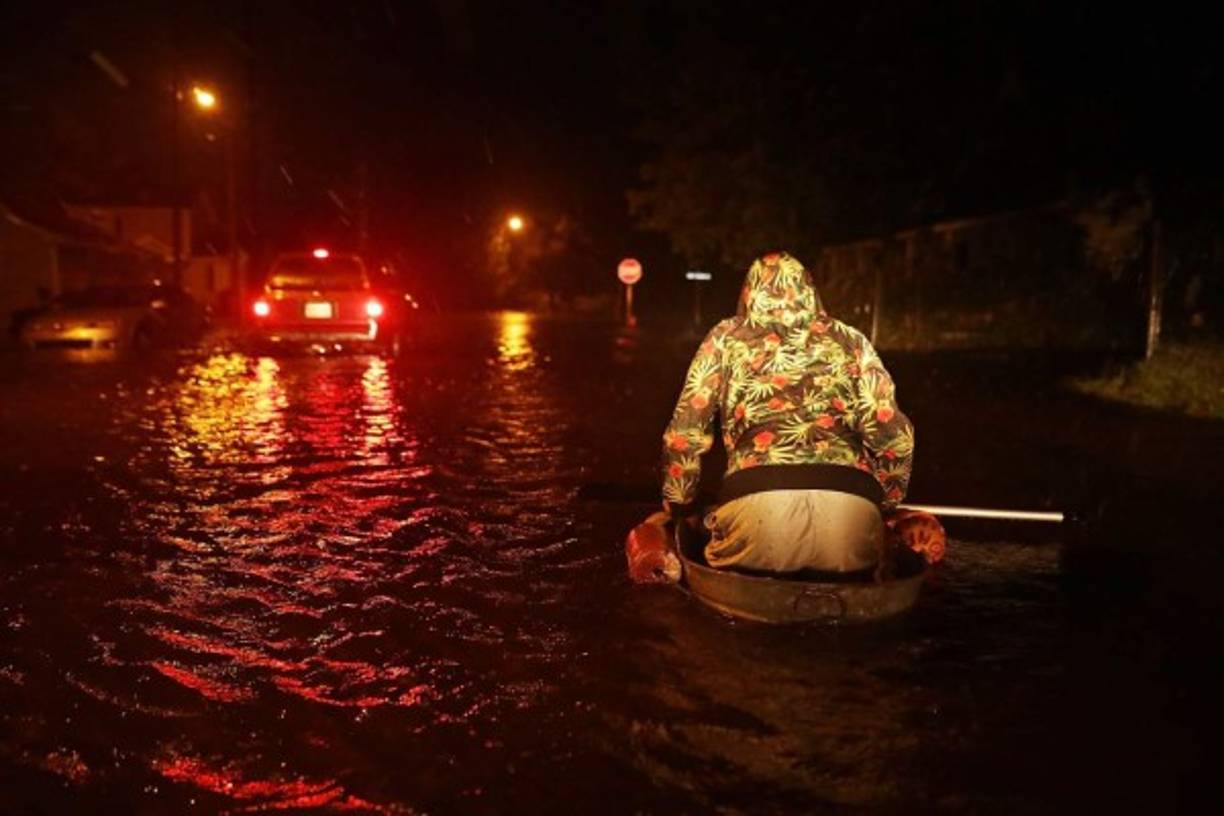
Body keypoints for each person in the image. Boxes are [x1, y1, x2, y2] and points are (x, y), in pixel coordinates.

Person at [661, 251, 914, 575]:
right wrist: (886, 504)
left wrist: (680, 504)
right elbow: (896, 439)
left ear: (748, 292)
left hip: (756, 504)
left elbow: (683, 436)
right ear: (810, 290)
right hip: (850, 509)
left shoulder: (725, 338)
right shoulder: (851, 340)